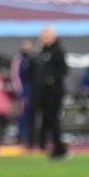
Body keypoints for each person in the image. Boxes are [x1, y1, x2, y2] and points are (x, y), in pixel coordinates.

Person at [27, 24, 68, 158]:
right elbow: (31, 72)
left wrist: (51, 79)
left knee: (52, 120)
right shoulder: (38, 53)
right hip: (40, 93)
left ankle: (59, 148)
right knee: (43, 120)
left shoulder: (58, 52)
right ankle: (41, 145)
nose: (45, 38)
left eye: (48, 35)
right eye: (43, 35)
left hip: (53, 94)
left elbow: (64, 70)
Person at [10, 40, 33, 144]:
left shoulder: (32, 59)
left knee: (31, 114)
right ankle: (21, 136)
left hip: (31, 90)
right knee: (22, 114)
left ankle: (30, 136)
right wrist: (19, 90)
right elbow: (15, 75)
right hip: (22, 90)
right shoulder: (18, 59)